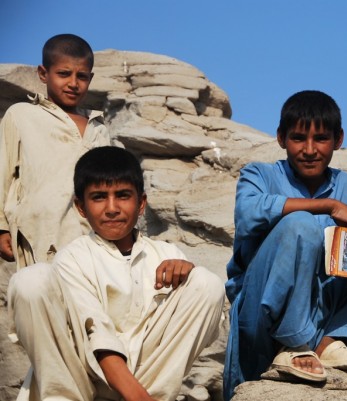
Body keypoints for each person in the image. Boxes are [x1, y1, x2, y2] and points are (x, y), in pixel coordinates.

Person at [223, 90, 347, 400]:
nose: (310, 150)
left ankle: (333, 341)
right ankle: (293, 341)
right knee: (300, 224)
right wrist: (327, 206)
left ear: (338, 139)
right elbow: (248, 213)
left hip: (320, 317)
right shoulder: (259, 174)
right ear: (281, 138)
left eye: (321, 139)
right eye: (299, 138)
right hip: (259, 316)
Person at [8, 146, 225, 401]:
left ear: (141, 203)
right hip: (82, 380)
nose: (112, 208)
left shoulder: (166, 254)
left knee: (206, 283)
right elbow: (96, 335)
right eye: (99, 197)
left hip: (146, 379)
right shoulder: (73, 258)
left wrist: (188, 274)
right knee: (30, 281)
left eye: (122, 195)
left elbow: (203, 326)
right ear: (80, 207)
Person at [0, 33, 111, 269]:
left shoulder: (99, 127)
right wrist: (0, 228)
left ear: (90, 78)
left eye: (82, 76)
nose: (73, 83)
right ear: (43, 74)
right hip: (39, 235)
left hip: (93, 240)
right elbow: (3, 173)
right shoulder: (21, 115)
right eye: (63, 74)